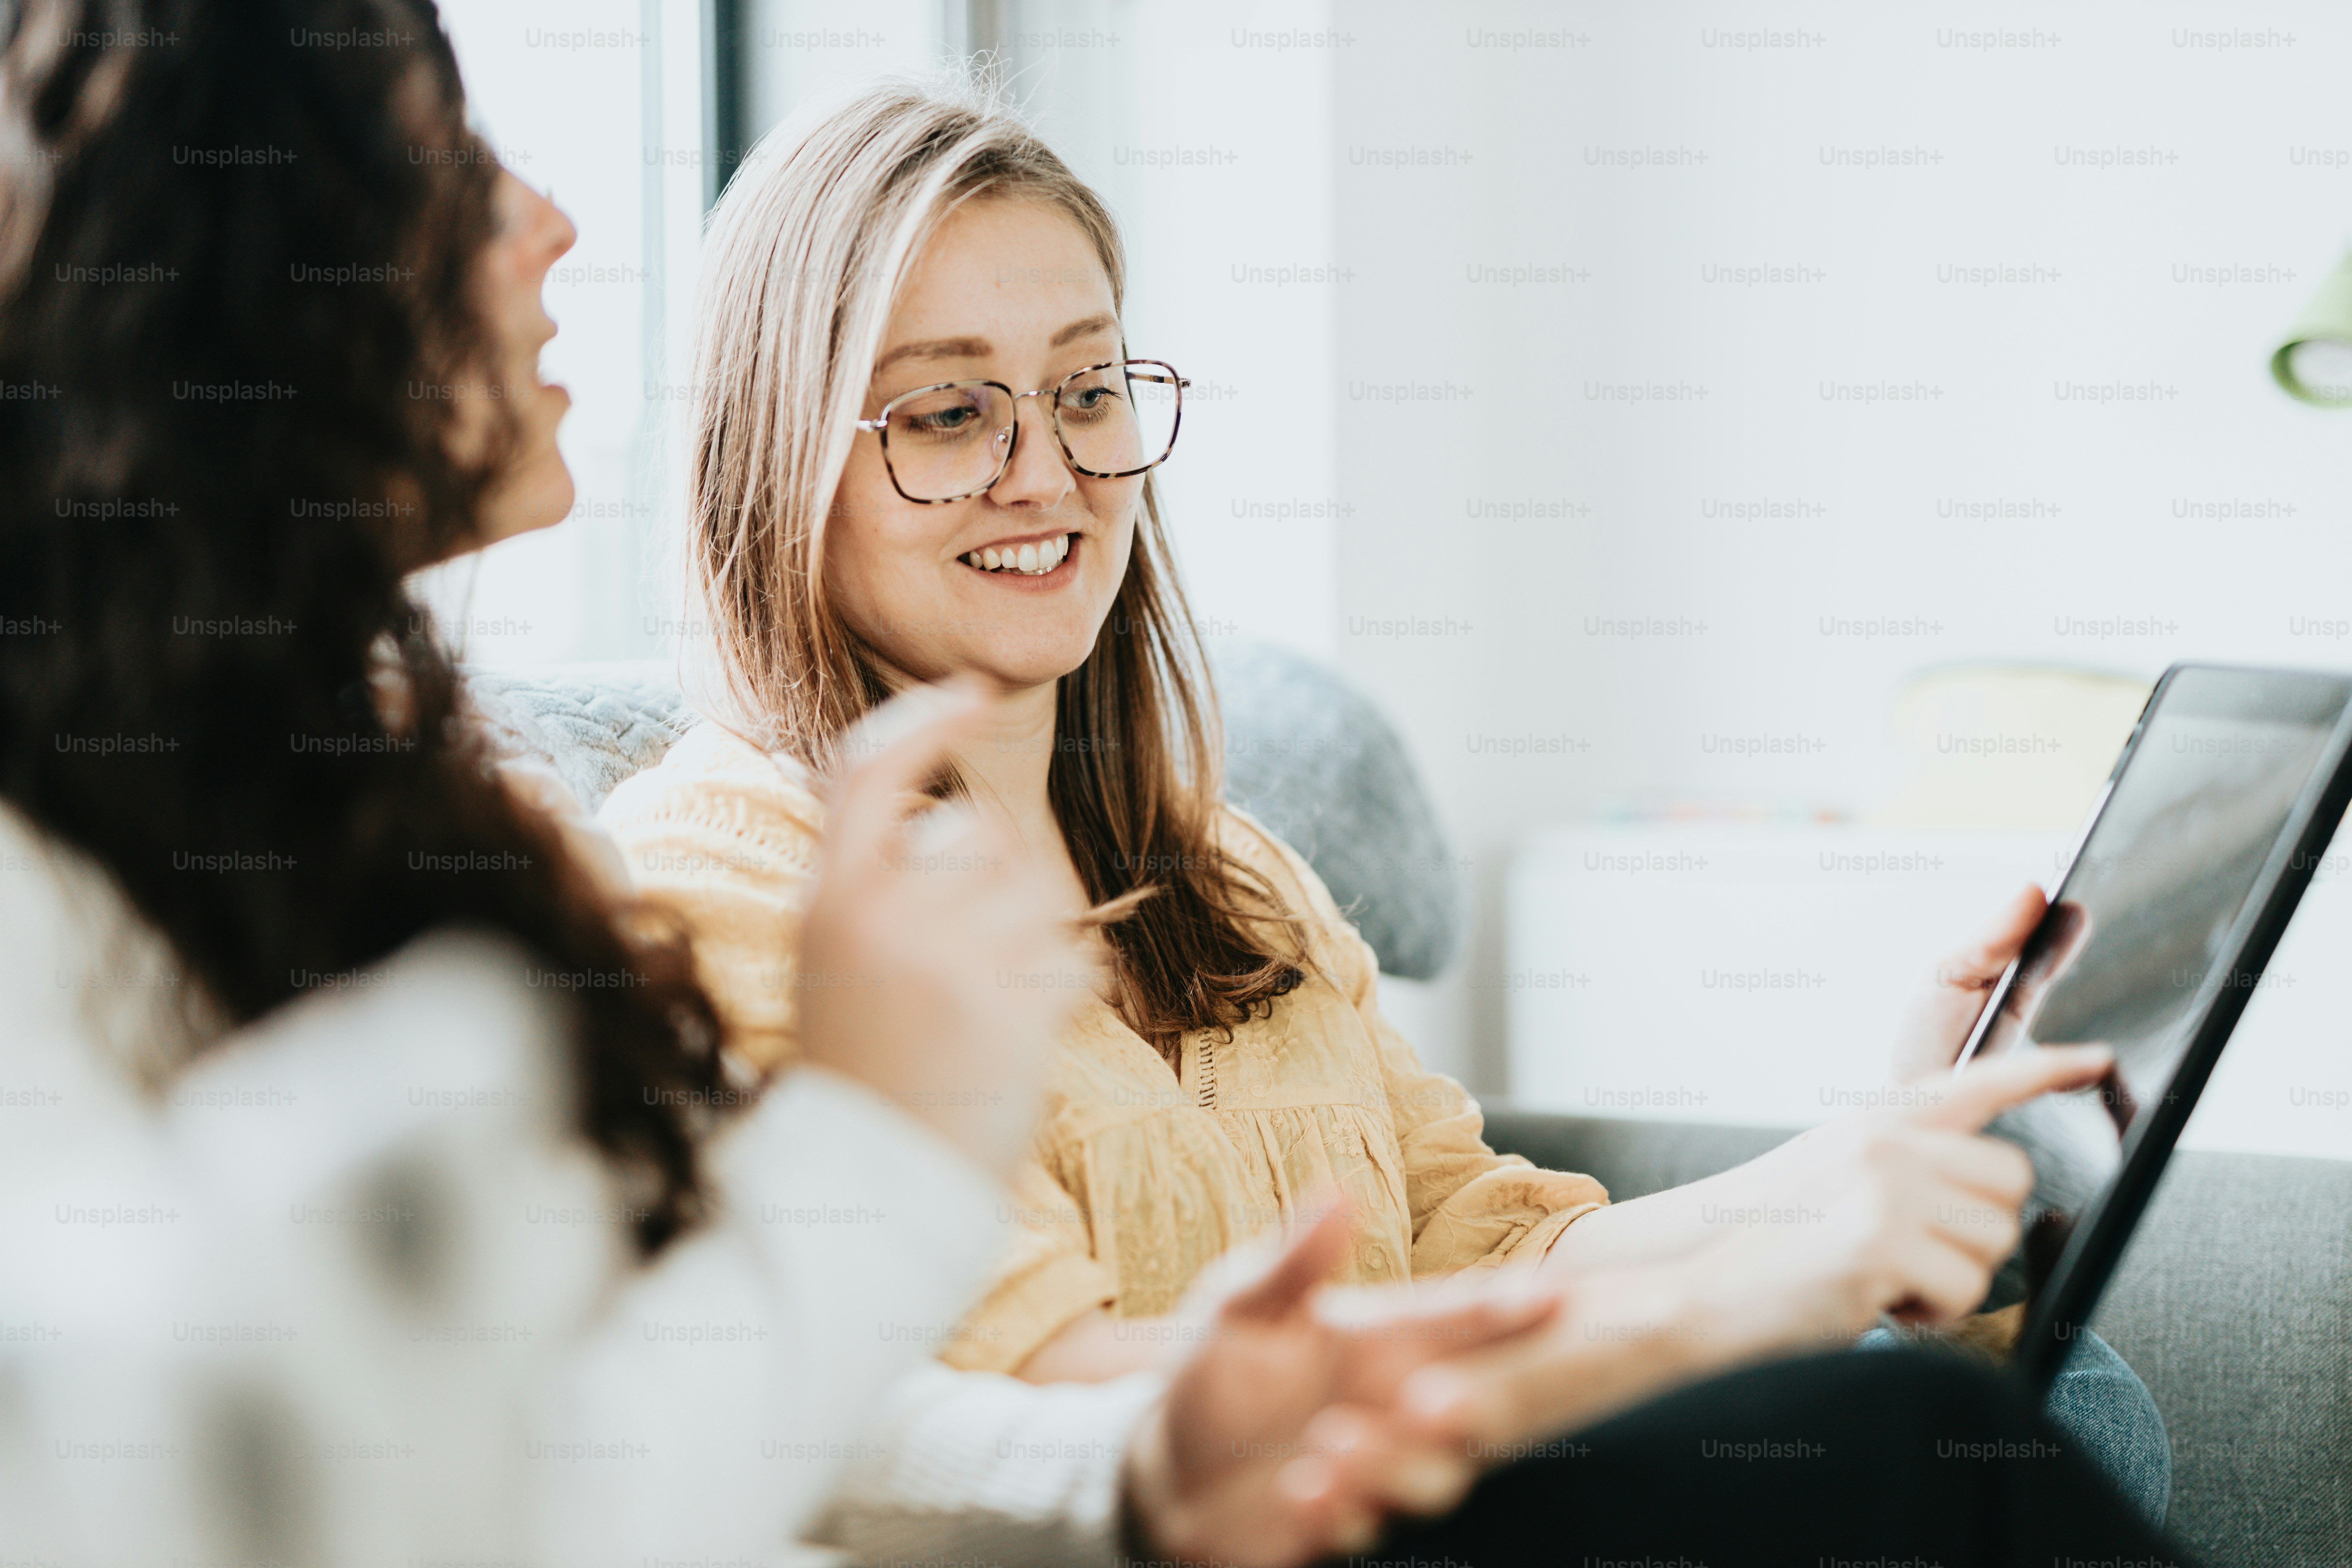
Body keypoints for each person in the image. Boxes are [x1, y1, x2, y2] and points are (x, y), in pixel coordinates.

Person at [0, 6, 1555, 1562]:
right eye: (454, 169)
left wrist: (1126, 1475)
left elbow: (663, 1408)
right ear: (243, 298)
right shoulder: (72, 919)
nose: (554, 223)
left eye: (1085, 389)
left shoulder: (445, 819)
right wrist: (879, 1134)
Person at [597, 73, 2170, 1519]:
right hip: (1213, 1532)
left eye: (1088, 388)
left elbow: (1507, 1242)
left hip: (1430, 1481)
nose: (1046, 469)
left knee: (2054, 1385)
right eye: (948, 411)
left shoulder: (1234, 873)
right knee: (1903, 1430)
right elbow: (1022, 1415)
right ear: (773, 452)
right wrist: (1769, 1283)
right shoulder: (720, 882)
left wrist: (1876, 1146)